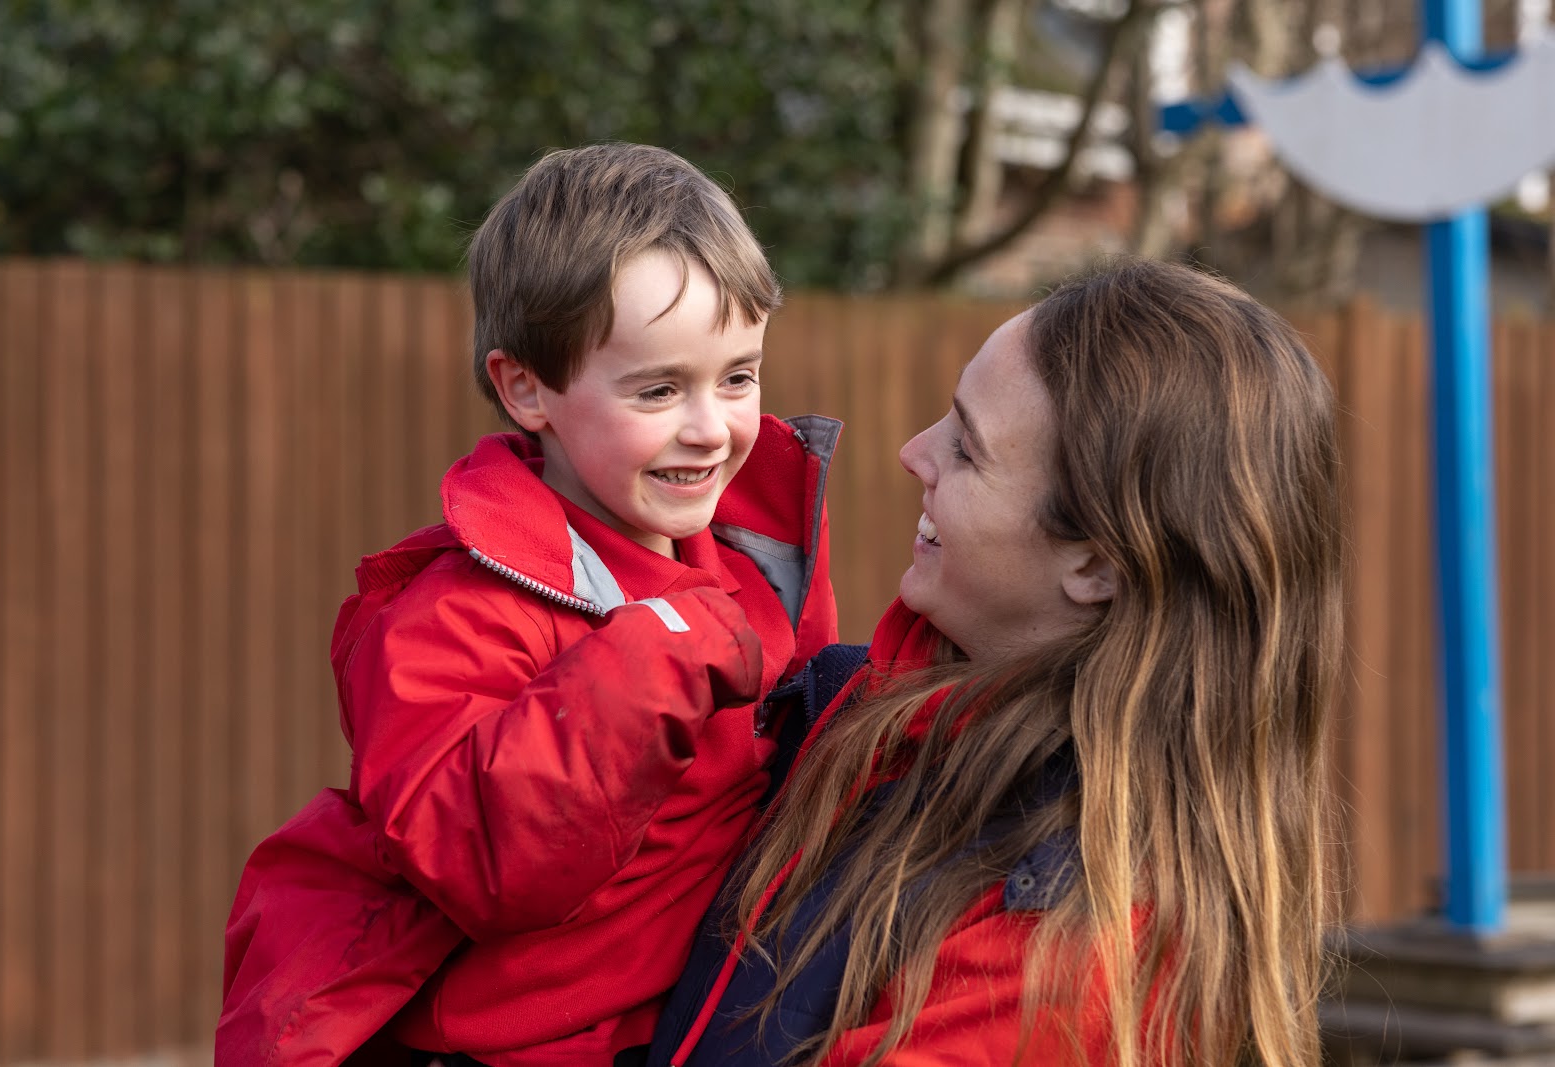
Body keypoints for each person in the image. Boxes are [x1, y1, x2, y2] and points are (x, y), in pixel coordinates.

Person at [217, 144, 840, 1067]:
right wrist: (656, 652)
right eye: (659, 389)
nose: (712, 427)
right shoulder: (458, 608)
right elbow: (475, 855)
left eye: (738, 377)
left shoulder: (757, 560)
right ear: (527, 388)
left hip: (692, 1019)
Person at [648, 258, 1344, 1067]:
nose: (913, 453)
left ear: (1097, 564)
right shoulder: (865, 718)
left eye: (968, 451)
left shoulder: (1067, 949)